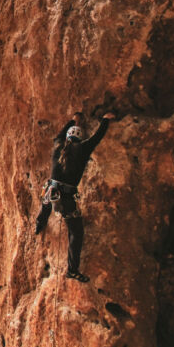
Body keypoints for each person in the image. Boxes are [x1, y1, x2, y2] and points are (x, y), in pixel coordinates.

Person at [35, 111, 115, 282]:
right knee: (76, 233)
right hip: (66, 199)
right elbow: (97, 137)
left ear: (67, 137)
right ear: (79, 139)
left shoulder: (58, 145)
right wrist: (106, 120)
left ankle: (39, 223)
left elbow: (60, 134)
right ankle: (72, 270)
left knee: (46, 202)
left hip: (51, 191)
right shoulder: (83, 150)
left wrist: (73, 120)